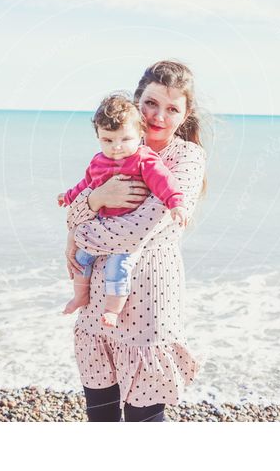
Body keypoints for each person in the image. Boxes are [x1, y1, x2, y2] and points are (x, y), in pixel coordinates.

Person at [64, 60, 207, 422]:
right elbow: (75, 207)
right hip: (100, 297)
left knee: (144, 419)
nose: (159, 115)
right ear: (136, 103)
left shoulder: (186, 159)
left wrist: (78, 233)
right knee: (101, 414)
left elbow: (135, 230)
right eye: (151, 104)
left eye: (172, 108)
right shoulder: (115, 148)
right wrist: (96, 199)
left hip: (150, 299)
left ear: (185, 115)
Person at [59, 93, 188, 328]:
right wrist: (68, 196)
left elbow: (163, 181)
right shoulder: (98, 161)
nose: (117, 148)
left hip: (125, 230)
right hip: (102, 221)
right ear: (98, 137)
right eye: (107, 140)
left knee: (118, 267)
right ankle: (80, 297)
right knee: (80, 259)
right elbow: (85, 185)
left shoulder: (143, 159)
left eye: (125, 139)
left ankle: (112, 309)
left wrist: (175, 202)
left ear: (140, 134)